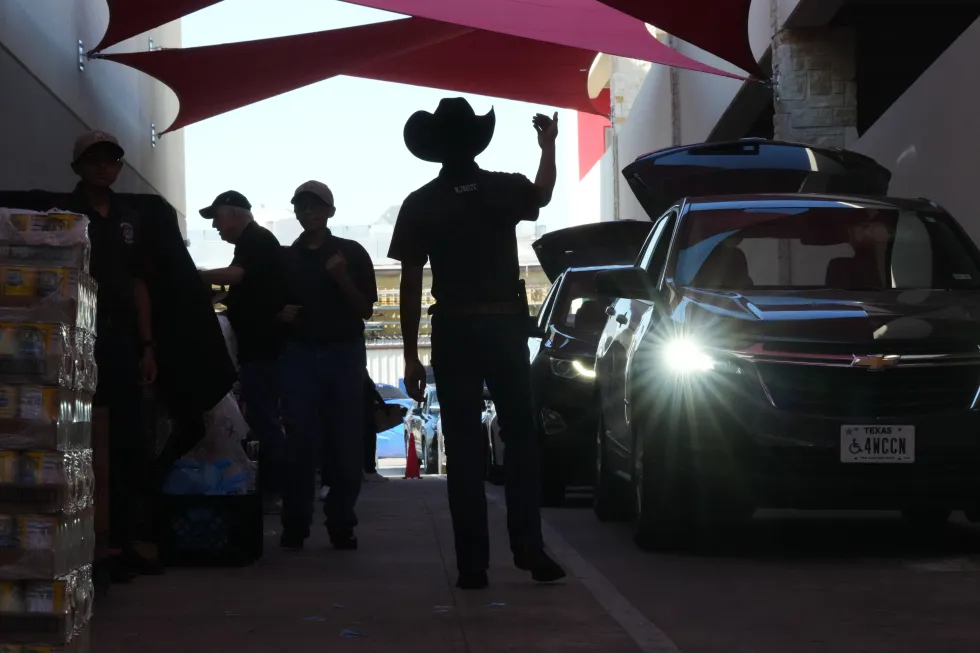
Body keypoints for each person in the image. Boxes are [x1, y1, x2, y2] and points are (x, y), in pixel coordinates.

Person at [388, 98, 566, 589]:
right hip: (505, 328)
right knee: (521, 438)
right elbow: (544, 193)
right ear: (475, 142)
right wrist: (548, 146)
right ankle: (529, 547)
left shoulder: (420, 203)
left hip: (453, 332)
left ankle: (472, 565)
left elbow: (410, 282)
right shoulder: (502, 188)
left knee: (464, 446)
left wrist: (410, 354)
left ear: (434, 148)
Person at [67, 130, 159, 582]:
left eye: (111, 160)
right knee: (77, 440)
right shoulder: (65, 216)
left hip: (121, 342)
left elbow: (140, 284)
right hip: (74, 341)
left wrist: (147, 346)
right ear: (78, 167)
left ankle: (121, 541)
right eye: (95, 160)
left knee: (126, 441)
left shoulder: (130, 219)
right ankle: (81, 544)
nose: (104, 167)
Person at [277, 180, 378, 551]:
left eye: (315, 206)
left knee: (346, 442)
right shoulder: (286, 259)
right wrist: (279, 314)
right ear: (296, 212)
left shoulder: (351, 253)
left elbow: (365, 309)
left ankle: (341, 522)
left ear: (330, 211)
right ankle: (296, 524)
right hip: (300, 354)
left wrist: (341, 278)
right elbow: (269, 305)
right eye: (302, 206)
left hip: (343, 354)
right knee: (300, 443)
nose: (309, 212)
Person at [198, 191, 287, 515]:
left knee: (264, 420)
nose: (215, 227)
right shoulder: (251, 244)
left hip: (263, 349)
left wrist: (195, 276)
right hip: (257, 348)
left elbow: (238, 276)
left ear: (235, 214)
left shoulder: (256, 240)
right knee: (263, 419)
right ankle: (279, 489)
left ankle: (279, 490)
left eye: (217, 218)